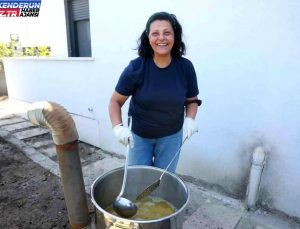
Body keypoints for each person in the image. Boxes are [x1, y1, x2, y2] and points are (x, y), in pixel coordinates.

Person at [109, 11, 201, 173]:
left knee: (163, 181)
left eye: (167, 33)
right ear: (148, 37)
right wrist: (118, 127)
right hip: (139, 137)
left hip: (172, 137)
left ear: (175, 36)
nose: (161, 38)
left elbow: (192, 100)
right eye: (155, 33)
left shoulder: (185, 67)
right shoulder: (136, 68)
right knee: (137, 180)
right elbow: (115, 101)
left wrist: (190, 120)